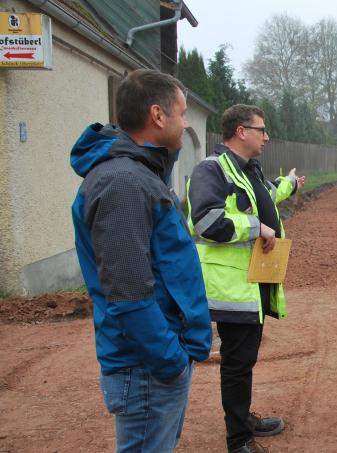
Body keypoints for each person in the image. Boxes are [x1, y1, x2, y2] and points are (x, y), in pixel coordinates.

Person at [70, 69, 212, 451]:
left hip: (153, 361)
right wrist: (170, 362)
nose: (185, 124)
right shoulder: (124, 182)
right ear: (158, 115)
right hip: (147, 366)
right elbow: (129, 292)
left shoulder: (138, 175)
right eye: (182, 114)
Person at [187, 104, 305, 453]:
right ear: (241, 131)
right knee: (237, 364)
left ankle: (243, 420)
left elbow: (262, 197)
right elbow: (207, 222)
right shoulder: (212, 169)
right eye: (261, 129)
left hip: (250, 283)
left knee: (245, 358)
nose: (266, 136)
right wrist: (257, 228)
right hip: (231, 288)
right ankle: (238, 440)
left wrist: (290, 186)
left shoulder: (246, 170)